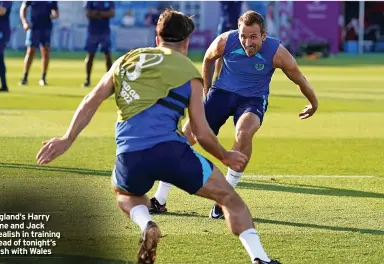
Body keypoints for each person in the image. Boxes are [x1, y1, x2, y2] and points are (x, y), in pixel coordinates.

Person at [35, 9, 281, 264]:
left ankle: (147, 224)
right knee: (230, 200)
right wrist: (225, 155)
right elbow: (200, 131)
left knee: (126, 196)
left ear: (156, 38)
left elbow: (91, 99)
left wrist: (67, 138)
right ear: (186, 43)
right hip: (172, 153)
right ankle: (260, 259)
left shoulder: (125, 61)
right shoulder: (189, 72)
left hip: (129, 154)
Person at [150, 10, 319, 219]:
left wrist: (314, 103)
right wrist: (207, 92)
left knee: (244, 133)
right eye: (243, 36)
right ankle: (159, 199)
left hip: (252, 100)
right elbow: (208, 59)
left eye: (253, 37)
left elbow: (299, 78)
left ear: (264, 36)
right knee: (185, 138)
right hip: (221, 94)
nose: (247, 42)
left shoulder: (277, 52)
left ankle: (224, 199)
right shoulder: (225, 41)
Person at [19, 1, 59, 86]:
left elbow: (56, 12)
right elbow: (23, 8)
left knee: (46, 52)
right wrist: (24, 22)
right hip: (34, 27)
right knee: (30, 52)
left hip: (46, 28)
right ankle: (25, 77)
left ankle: (43, 77)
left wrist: (53, 15)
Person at [82, 1, 115, 88]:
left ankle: (110, 80)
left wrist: (97, 13)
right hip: (93, 31)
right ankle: (87, 79)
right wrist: (103, 14)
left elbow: (112, 13)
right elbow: (88, 13)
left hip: (105, 31)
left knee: (107, 55)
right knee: (90, 55)